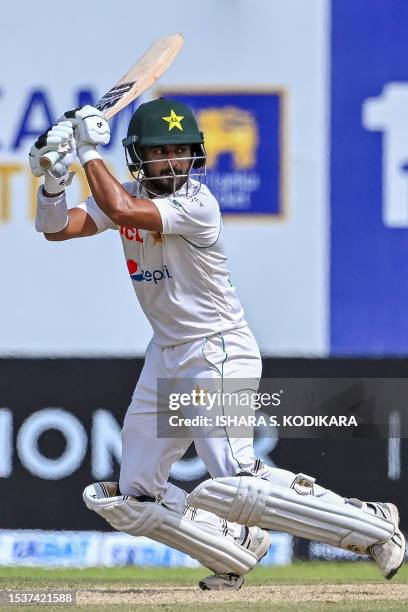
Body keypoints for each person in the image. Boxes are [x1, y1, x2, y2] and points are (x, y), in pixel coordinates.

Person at [29, 100, 405, 589]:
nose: (175, 162)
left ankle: (373, 524)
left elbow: (124, 209)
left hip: (217, 350)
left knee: (237, 476)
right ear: (140, 156)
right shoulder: (122, 195)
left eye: (183, 151)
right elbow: (55, 229)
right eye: (163, 152)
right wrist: (54, 181)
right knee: (131, 496)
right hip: (166, 356)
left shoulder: (197, 204)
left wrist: (82, 149)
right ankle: (233, 546)